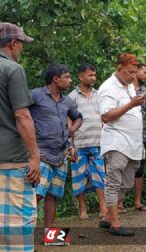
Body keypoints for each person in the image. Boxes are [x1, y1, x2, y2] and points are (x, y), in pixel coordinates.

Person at [0, 22, 40, 252]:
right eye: (21, 44)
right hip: (11, 162)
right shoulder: (13, 70)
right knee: (18, 226)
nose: (22, 49)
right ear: (13, 43)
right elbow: (22, 116)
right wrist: (35, 157)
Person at [98, 53, 146, 236]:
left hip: (133, 144)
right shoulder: (108, 88)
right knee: (113, 182)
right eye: (129, 72)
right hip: (117, 142)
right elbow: (106, 116)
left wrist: (137, 101)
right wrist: (132, 104)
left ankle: (106, 218)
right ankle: (115, 224)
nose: (133, 76)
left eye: (135, 72)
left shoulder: (129, 86)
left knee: (126, 183)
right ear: (119, 69)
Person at [30, 63, 83, 229]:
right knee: (35, 196)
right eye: (66, 77)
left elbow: (78, 118)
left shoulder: (67, 100)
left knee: (53, 196)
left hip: (61, 155)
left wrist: (70, 138)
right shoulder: (35, 95)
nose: (70, 80)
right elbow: (20, 116)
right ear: (56, 79)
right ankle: (24, 237)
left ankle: (50, 235)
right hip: (41, 154)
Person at [69, 63, 107, 220]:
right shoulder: (72, 97)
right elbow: (69, 123)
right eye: (90, 75)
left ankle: (103, 208)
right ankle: (82, 209)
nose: (93, 78)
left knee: (100, 176)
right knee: (79, 178)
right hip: (79, 144)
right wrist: (70, 145)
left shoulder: (99, 94)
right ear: (80, 76)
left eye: (94, 75)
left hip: (98, 142)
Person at [116, 63, 146, 213]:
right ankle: (119, 203)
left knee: (139, 168)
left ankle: (137, 202)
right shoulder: (121, 88)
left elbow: (145, 110)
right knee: (120, 167)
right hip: (122, 135)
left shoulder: (144, 90)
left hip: (140, 135)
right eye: (144, 72)